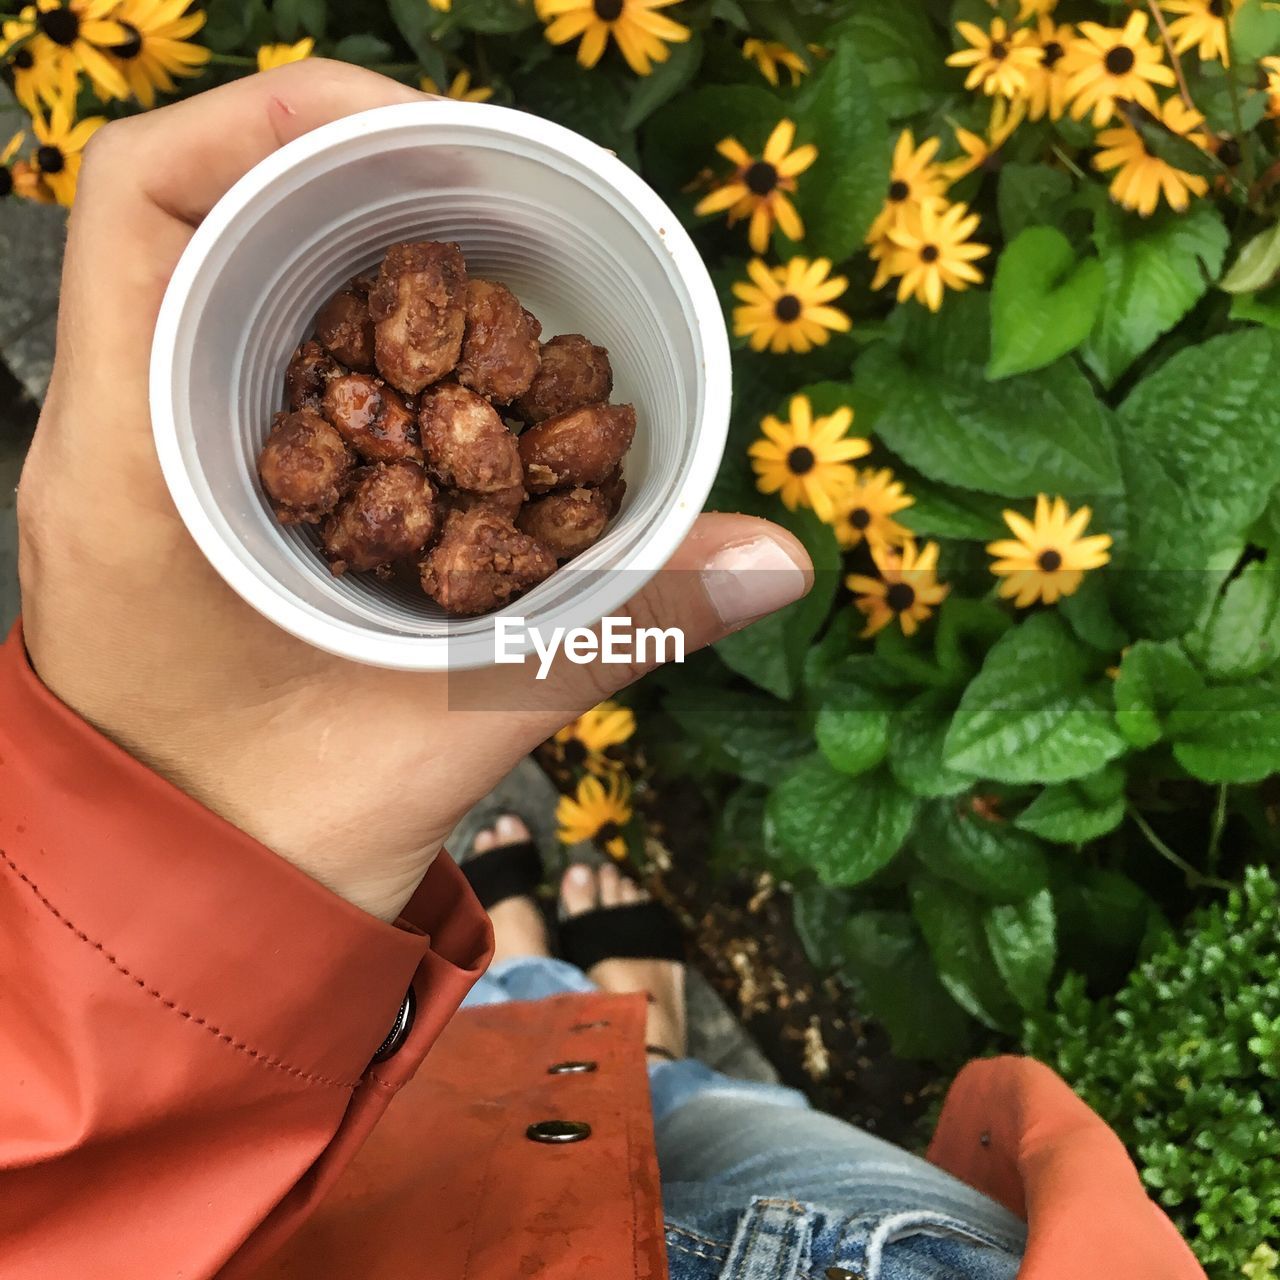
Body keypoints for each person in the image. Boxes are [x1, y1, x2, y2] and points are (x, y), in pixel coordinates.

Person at [0, 62, 1205, 1280]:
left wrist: (135, 924)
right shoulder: (420, 444)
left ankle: (537, 982)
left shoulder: (482, 432)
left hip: (292, 1203)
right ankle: (607, 1015)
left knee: (562, 1080)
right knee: (699, 1116)